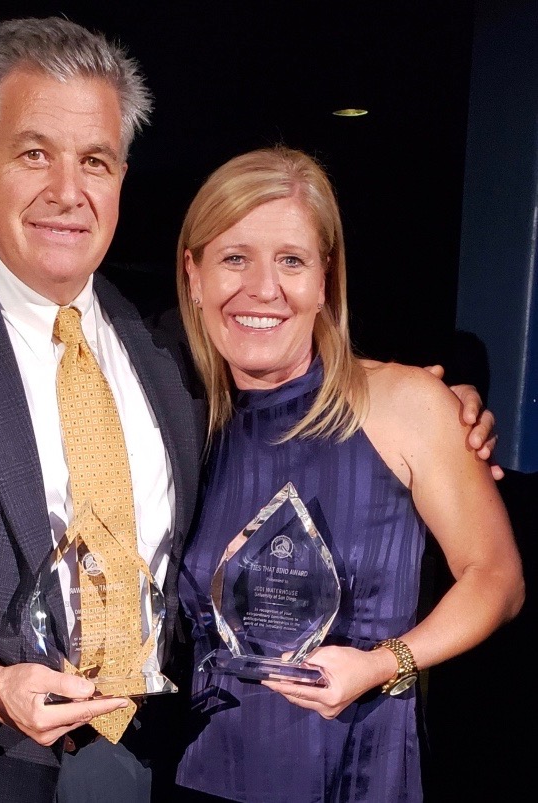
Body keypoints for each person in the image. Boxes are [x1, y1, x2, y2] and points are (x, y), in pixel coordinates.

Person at [0, 17, 497, 803]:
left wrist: (442, 411)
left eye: (93, 160)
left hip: (170, 761)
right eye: (34, 153)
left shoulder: (169, 350)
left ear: (120, 176)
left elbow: (309, 386)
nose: (67, 191)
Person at [173, 146, 524, 802]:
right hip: (196, 773)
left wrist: (382, 663)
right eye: (233, 257)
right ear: (192, 275)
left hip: (355, 775)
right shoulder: (180, 418)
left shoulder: (403, 402)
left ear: (325, 279)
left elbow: (497, 579)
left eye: (290, 260)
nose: (262, 287)